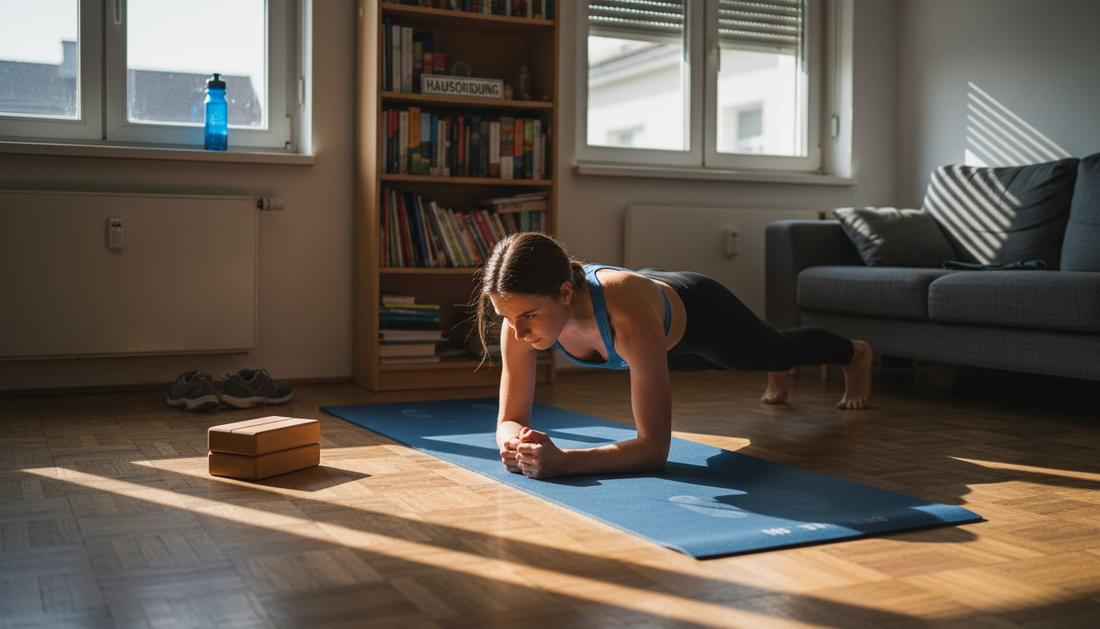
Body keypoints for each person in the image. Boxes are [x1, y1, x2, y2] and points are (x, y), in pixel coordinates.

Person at [475, 232, 873, 480]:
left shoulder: (625, 314)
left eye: (528, 316)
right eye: (506, 317)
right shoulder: (519, 320)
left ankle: (854, 353)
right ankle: (773, 367)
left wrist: (566, 461)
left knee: (777, 351)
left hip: (701, 314)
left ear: (564, 293)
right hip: (658, 337)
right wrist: (516, 444)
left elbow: (653, 450)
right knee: (737, 359)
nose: (517, 332)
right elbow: (509, 419)